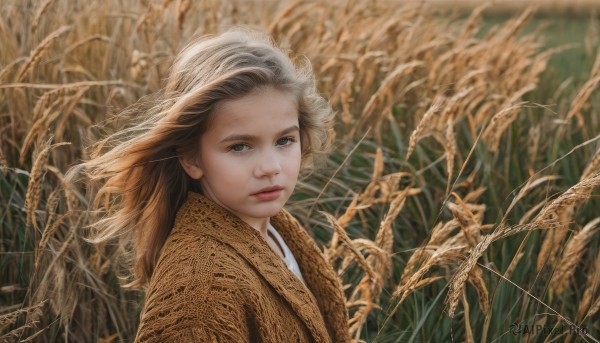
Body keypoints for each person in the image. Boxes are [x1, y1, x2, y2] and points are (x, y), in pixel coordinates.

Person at [81, 28, 350, 342]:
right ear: (192, 158)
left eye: (284, 140)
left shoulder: (274, 230)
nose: (270, 168)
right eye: (239, 147)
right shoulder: (200, 289)